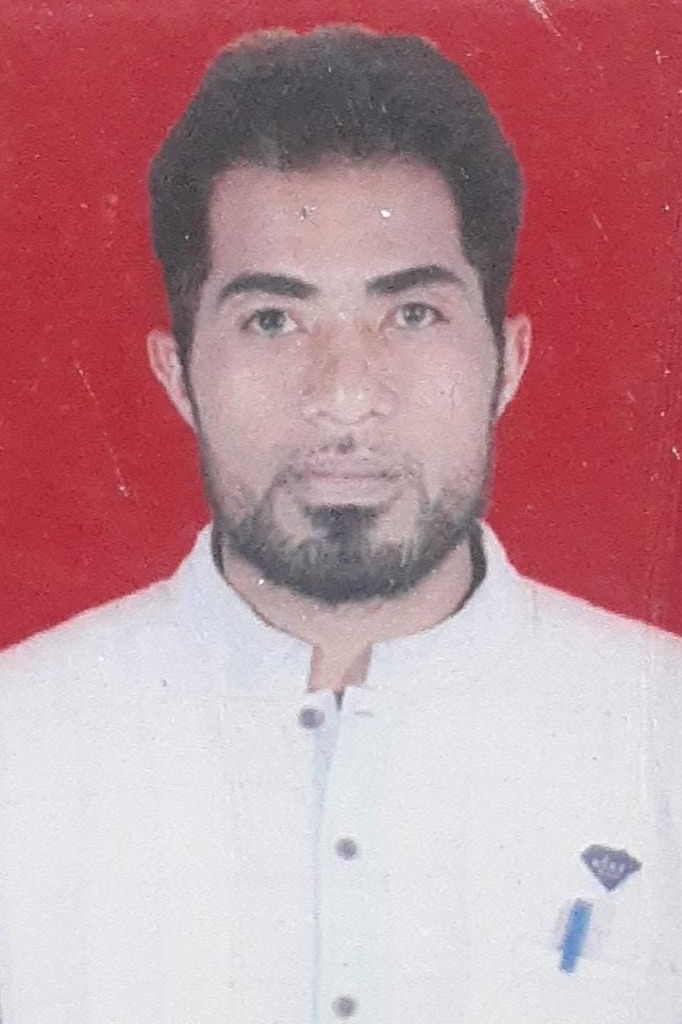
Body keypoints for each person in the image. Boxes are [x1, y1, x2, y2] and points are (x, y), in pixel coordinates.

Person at [0, 24, 680, 1024]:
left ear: (509, 362)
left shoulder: (662, 731)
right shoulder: (19, 743)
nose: (345, 396)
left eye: (411, 314)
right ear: (178, 375)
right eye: (273, 320)